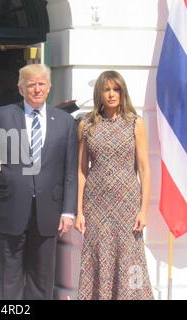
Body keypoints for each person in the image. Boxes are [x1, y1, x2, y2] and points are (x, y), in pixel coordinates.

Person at [0, 64, 78, 300]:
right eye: (31, 85)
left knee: (43, 276)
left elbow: (69, 170)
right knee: (9, 276)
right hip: (10, 207)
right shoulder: (2, 116)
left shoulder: (65, 122)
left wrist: (68, 211)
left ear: (49, 87)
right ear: (20, 88)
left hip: (49, 210)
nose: (36, 89)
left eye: (41, 84)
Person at [75, 70, 153, 300]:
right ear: (99, 92)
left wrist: (143, 209)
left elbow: (145, 168)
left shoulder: (135, 123)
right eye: (106, 89)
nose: (111, 94)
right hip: (95, 205)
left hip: (127, 204)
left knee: (129, 258)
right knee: (97, 257)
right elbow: (81, 170)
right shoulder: (86, 125)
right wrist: (79, 211)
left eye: (116, 89)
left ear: (123, 92)